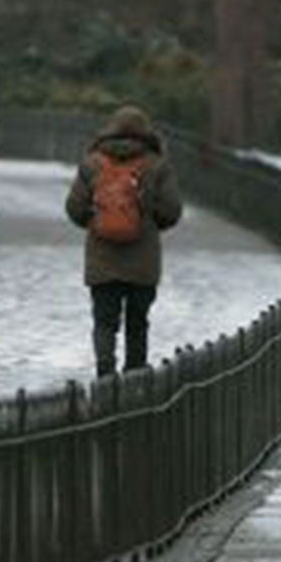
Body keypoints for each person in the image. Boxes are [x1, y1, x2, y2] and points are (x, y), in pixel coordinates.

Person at [65, 103, 183, 377]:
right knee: (138, 322)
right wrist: (149, 222)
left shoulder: (93, 162)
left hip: (102, 258)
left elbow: (73, 208)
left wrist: (96, 222)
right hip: (143, 260)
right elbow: (172, 211)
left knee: (104, 321)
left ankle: (105, 372)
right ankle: (134, 376)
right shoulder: (156, 164)